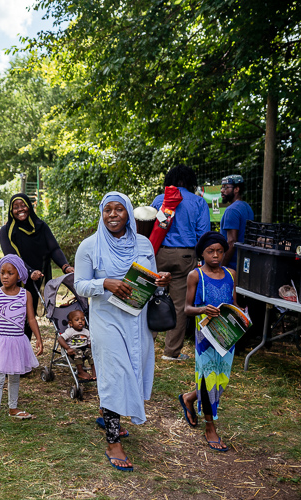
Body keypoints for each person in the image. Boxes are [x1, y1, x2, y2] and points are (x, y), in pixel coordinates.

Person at [75, 192, 172, 472]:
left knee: (133, 367)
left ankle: (108, 413)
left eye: (119, 209)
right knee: (114, 373)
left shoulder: (143, 244)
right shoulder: (90, 246)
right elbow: (80, 283)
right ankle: (113, 442)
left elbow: (151, 281)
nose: (113, 215)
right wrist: (104, 283)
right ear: (101, 213)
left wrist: (162, 280)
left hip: (137, 319)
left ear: (128, 213)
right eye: (108, 210)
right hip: (107, 319)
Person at [178, 231, 236, 451]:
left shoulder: (231, 274)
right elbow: (187, 308)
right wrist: (203, 309)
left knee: (221, 379)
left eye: (220, 251)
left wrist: (241, 316)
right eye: (211, 251)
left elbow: (234, 303)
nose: (216, 256)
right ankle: (210, 427)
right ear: (202, 253)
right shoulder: (196, 275)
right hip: (206, 335)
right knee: (207, 377)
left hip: (228, 334)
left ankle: (188, 397)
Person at [151, 165, 210, 361]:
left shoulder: (160, 200)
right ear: (188, 181)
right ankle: (171, 352)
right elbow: (204, 235)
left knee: (152, 298)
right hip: (186, 256)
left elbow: (150, 228)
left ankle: (146, 345)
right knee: (179, 304)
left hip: (159, 253)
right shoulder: (199, 202)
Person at [0, 193, 74, 341]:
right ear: (10, 210)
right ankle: (7, 352)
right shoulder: (6, 231)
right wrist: (29, 271)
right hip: (14, 280)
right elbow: (11, 256)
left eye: (23, 205)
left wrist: (65, 266)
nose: (20, 209)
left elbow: (54, 249)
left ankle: (23, 352)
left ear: (29, 207)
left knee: (28, 316)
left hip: (35, 280)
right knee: (11, 317)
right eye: (15, 207)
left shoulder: (41, 227)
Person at [0, 254, 44, 433]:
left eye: (10, 273)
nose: (5, 276)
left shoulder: (26, 295)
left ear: (19, 275)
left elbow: (31, 318)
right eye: (2, 272)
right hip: (0, 341)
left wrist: (39, 338)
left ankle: (13, 407)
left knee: (15, 375)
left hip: (18, 340)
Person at [219, 174, 254, 270]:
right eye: (222, 187)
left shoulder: (232, 210)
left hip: (232, 266)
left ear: (236, 189)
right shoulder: (247, 207)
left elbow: (232, 242)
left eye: (226, 187)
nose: (222, 190)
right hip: (244, 263)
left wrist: (221, 267)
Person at [57, 310, 95, 380]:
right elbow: (60, 338)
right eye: (77, 320)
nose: (80, 321)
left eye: (83, 319)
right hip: (73, 350)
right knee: (79, 352)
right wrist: (67, 348)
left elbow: (89, 344)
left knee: (92, 353)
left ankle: (94, 371)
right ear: (71, 323)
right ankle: (80, 372)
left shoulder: (86, 331)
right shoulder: (70, 331)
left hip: (84, 349)